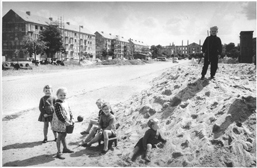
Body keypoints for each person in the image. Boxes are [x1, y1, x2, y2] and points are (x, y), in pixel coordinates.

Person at [52, 87, 74, 159]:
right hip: (60, 123)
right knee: (60, 136)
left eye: (64, 95)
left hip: (66, 122)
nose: (63, 97)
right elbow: (59, 114)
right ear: (57, 95)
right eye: (61, 95)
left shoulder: (65, 102)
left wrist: (72, 118)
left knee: (64, 135)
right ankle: (59, 152)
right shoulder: (57, 104)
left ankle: (65, 148)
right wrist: (65, 121)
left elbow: (69, 110)